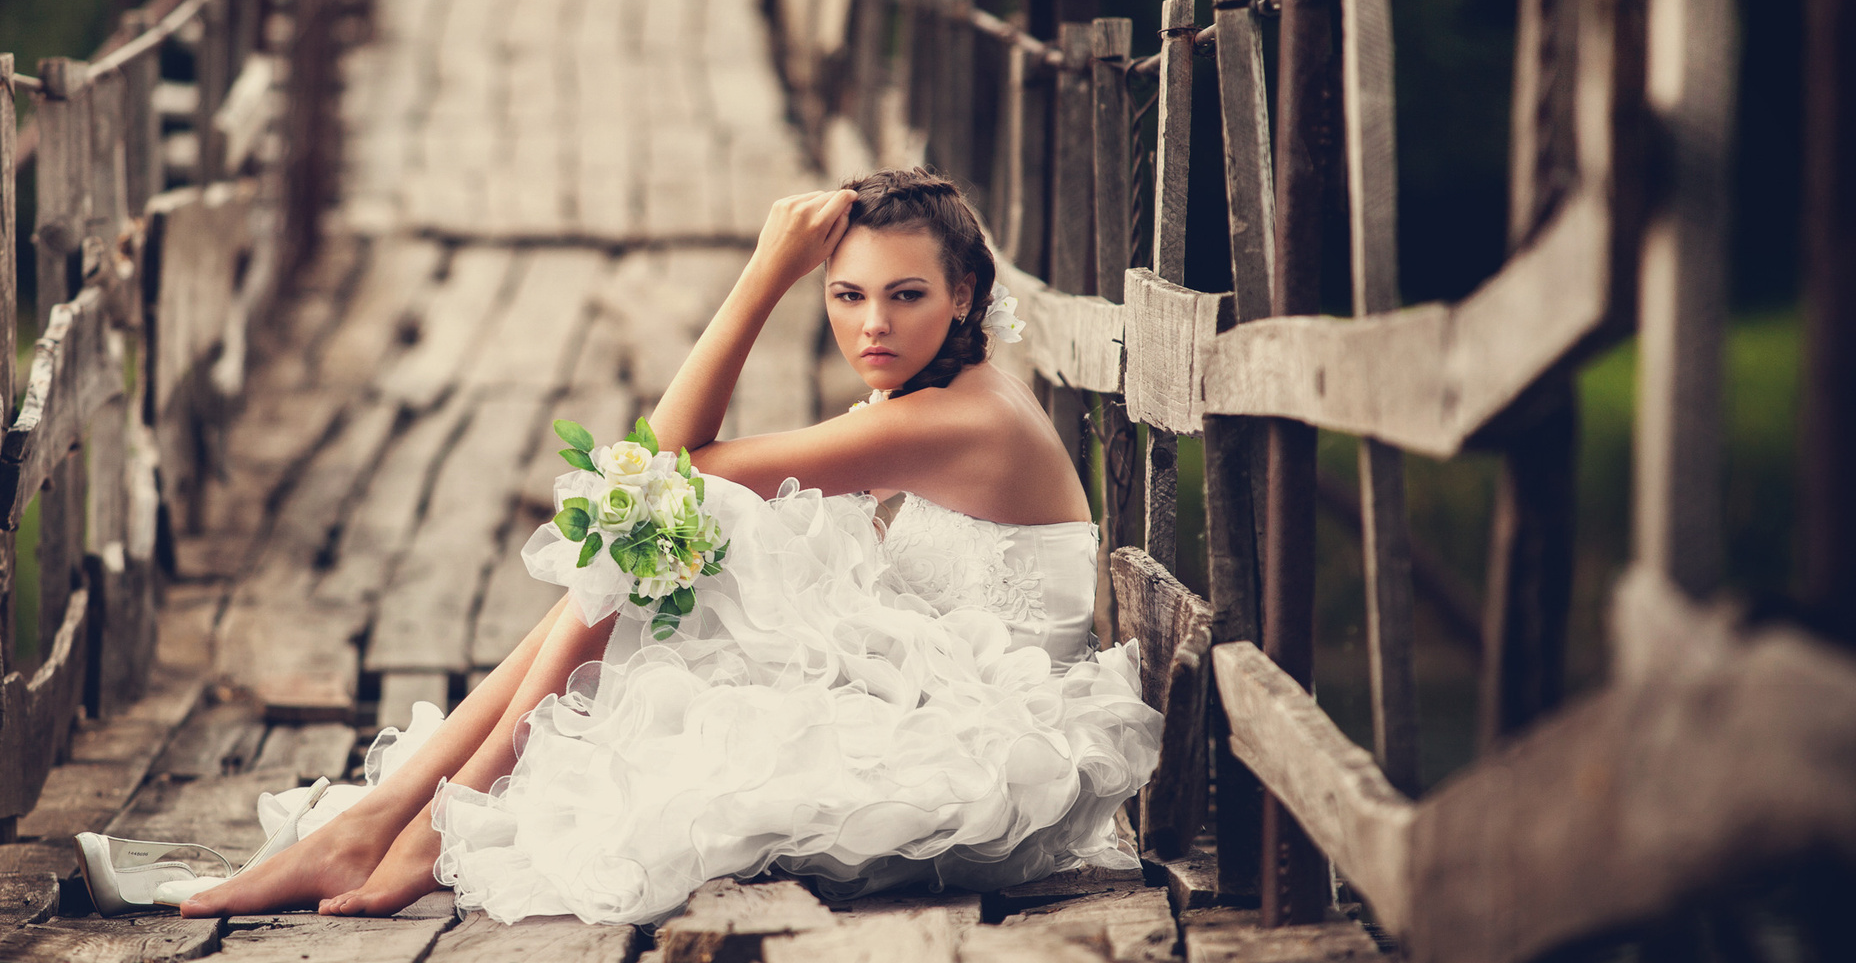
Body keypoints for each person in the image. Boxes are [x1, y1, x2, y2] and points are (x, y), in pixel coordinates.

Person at [182, 167, 1161, 924]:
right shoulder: (947, 390)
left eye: (905, 295)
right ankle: (393, 817)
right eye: (844, 295)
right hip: (936, 677)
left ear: (965, 294)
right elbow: (664, 474)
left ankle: (423, 824)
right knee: (661, 534)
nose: (871, 324)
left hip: (978, 736)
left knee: (670, 522)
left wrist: (762, 274)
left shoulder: (956, 420)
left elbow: (663, 463)